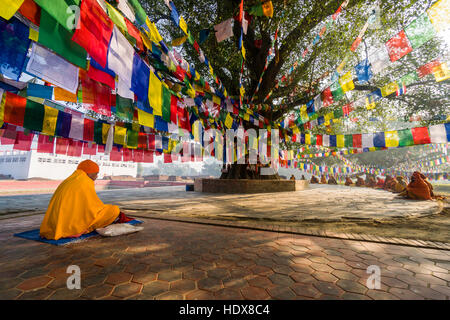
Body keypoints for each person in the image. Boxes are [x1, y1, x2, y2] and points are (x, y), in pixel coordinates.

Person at [40, 160, 133, 240]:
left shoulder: (69, 180)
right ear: (89, 172)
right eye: (96, 173)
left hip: (54, 224)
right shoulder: (86, 181)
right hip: (70, 225)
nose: (97, 176)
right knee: (114, 210)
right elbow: (92, 209)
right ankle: (79, 229)